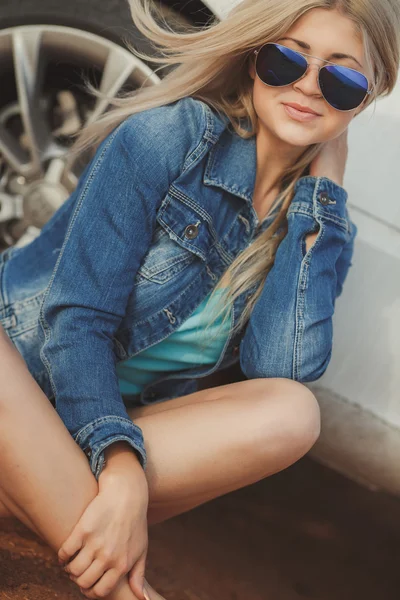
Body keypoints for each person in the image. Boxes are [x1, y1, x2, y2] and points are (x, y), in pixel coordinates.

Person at [0, 0, 398, 598]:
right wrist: (121, 466)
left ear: (366, 98)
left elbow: (282, 368)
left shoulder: (314, 221)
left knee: (293, 413)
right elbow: (74, 324)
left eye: (341, 80)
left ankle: (52, 507)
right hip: (25, 401)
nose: (308, 88)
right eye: (287, 59)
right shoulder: (170, 138)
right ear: (252, 59)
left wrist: (324, 192)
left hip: (73, 457)